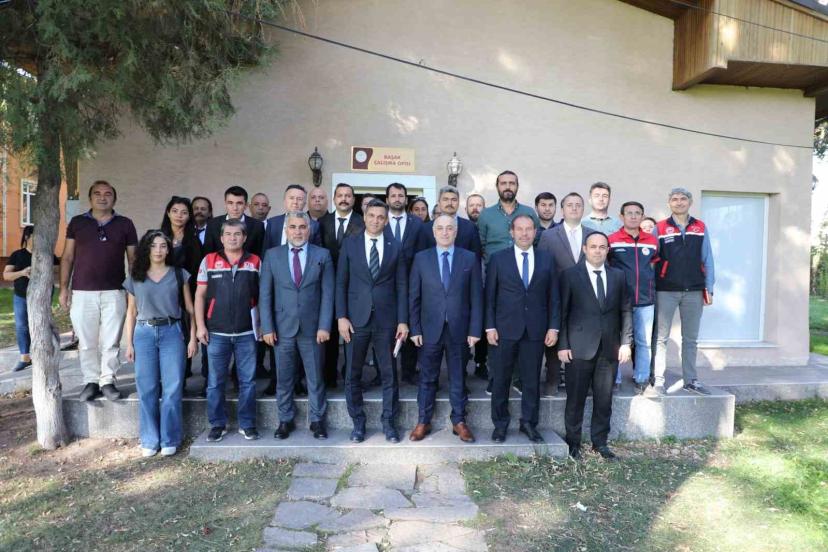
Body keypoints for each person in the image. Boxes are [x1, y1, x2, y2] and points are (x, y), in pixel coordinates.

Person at [336, 199, 408, 443]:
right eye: (372, 215)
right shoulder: (350, 244)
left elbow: (402, 286)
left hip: (387, 320)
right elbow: (341, 283)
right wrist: (341, 317)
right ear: (364, 217)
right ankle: (358, 423)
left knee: (389, 374)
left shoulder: (395, 246)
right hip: (355, 319)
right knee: (352, 374)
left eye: (381, 217)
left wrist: (403, 321)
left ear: (386, 221)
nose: (376, 220)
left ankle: (389, 423)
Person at [60, 180, 138, 402]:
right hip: (82, 292)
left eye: (107, 194)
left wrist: (133, 291)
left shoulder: (125, 224)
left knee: (111, 340)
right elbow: (67, 257)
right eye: (97, 193)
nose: (102, 197)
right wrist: (64, 288)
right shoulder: (77, 223)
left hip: (115, 291)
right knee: (86, 341)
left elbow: (133, 260)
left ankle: (107, 381)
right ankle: (91, 381)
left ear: (114, 198)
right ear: (90, 198)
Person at [260, 211, 334, 441]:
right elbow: (265, 295)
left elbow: (328, 294)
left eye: (302, 227)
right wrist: (267, 327)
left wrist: (324, 325)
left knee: (315, 377)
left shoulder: (322, 255)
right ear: (286, 230)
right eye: (293, 227)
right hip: (282, 329)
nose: (298, 231)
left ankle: (317, 420)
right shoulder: (272, 255)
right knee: (283, 377)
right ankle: (285, 420)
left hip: (313, 329)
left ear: (309, 230)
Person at [485, 215, 560, 444]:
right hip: (504, 329)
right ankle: (500, 425)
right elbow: (489, 297)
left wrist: (553, 327)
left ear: (535, 232)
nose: (524, 233)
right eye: (520, 229)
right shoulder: (498, 259)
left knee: (531, 380)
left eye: (529, 229)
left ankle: (529, 423)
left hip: (536, 330)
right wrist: (490, 326)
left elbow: (554, 297)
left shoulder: (547, 259)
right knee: (501, 379)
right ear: (512, 232)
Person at [558, 232, 632, 460]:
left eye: (602, 247)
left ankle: (600, 443)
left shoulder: (618, 276)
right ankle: (573, 443)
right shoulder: (570, 275)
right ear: (584, 249)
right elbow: (562, 312)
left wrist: (626, 342)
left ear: (607, 250)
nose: (597, 251)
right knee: (575, 399)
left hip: (609, 348)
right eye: (593, 247)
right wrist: (563, 345)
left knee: (604, 399)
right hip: (578, 348)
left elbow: (626, 310)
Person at [408, 215, 482, 443]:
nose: (445, 232)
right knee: (427, 377)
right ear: (434, 232)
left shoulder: (469, 258)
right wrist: (415, 328)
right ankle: (423, 420)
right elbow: (414, 297)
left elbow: (476, 297)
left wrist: (475, 329)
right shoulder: (421, 258)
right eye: (440, 228)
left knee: (458, 377)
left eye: (450, 228)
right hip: (429, 329)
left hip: (459, 329)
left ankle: (459, 421)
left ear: (456, 232)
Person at [123, 230, 197, 457]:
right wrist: (129, 343)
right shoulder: (136, 276)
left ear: (168, 250)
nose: (158, 250)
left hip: (171, 332)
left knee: (172, 387)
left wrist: (192, 337)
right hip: (143, 333)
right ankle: (149, 439)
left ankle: (169, 438)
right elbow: (131, 312)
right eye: (154, 246)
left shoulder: (179, 274)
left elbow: (190, 309)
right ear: (146, 249)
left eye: (163, 246)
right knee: (146, 388)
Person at [195, 219, 262, 442]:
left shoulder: (255, 261)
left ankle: (247, 424)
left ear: (244, 237)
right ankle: (218, 424)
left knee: (248, 381)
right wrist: (200, 326)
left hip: (246, 333)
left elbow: (263, 296)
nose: (233, 238)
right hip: (217, 333)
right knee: (215, 382)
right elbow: (199, 296)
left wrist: (262, 325)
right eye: (228, 234)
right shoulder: (209, 260)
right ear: (221, 238)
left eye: (237, 234)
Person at [652, 187, 715, 395]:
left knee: (690, 339)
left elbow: (708, 258)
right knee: (660, 338)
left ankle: (691, 380)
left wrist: (709, 287)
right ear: (669, 203)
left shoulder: (700, 227)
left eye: (683, 199)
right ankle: (658, 380)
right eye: (674, 199)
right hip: (665, 290)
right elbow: (652, 259)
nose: (679, 202)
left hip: (694, 290)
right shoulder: (660, 228)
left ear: (690, 202)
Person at [537, 192, 597, 395]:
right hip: (556, 293)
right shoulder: (548, 236)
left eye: (578, 205)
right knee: (554, 336)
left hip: (585, 297)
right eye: (569, 205)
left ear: (583, 209)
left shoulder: (592, 234)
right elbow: (542, 266)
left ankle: (580, 382)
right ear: (562, 209)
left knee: (582, 338)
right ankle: (553, 380)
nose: (574, 208)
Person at [608, 202, 658, 393]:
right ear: (622, 216)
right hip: (619, 300)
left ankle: (642, 377)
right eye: (629, 213)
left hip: (645, 300)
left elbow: (654, 265)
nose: (634, 216)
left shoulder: (652, 241)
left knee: (643, 341)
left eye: (638, 213)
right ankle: (615, 378)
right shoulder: (612, 240)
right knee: (616, 341)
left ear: (642, 216)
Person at [319, 183, 365, 386]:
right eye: (340, 195)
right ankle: (329, 377)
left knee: (352, 335)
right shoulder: (322, 222)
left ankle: (351, 378)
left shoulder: (363, 222)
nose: (344, 199)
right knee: (329, 331)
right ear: (334, 198)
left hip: (354, 287)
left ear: (353, 200)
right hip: (327, 285)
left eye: (348, 196)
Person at [160, 196, 203, 383]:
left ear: (189, 216)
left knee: (184, 336)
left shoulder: (194, 241)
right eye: (175, 211)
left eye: (184, 212)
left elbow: (197, 271)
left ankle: (182, 377)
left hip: (186, 294)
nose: (179, 215)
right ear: (168, 213)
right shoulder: (158, 238)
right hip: (161, 295)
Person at [3, 226, 58, 372]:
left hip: (43, 296)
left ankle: (45, 354)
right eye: (35, 236)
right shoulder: (17, 255)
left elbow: (58, 269)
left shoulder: (47, 254)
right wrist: (22, 272)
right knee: (22, 326)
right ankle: (25, 358)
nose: (39, 240)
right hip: (21, 296)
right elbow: (6, 275)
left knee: (42, 324)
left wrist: (44, 268)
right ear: (27, 237)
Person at [385, 182, 424, 385]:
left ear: (406, 199)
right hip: (384, 283)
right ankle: (385, 373)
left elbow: (422, 254)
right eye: (393, 195)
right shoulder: (379, 220)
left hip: (411, 283)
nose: (397, 199)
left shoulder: (417, 223)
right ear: (387, 199)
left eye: (401, 195)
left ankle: (408, 372)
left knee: (409, 325)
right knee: (385, 329)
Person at [477, 170, 539, 261]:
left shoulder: (529, 212)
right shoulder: (485, 214)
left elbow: (536, 241)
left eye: (512, 183)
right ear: (497, 187)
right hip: (493, 267)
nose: (508, 187)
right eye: (503, 183)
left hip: (523, 266)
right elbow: (479, 245)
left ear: (517, 186)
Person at [417, 186, 482, 259]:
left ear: (458, 203)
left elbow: (476, 257)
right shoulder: (426, 228)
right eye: (445, 199)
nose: (450, 203)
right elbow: (421, 258)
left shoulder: (470, 227)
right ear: (439, 203)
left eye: (454, 200)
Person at [202, 185, 265, 257]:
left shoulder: (258, 226)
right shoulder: (212, 224)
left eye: (239, 203)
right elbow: (208, 255)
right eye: (230, 203)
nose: (235, 208)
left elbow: (260, 255)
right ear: (225, 204)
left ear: (246, 205)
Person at [465, 193, 488, 381]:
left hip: (485, 278)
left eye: (479, 205)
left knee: (483, 324)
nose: (475, 208)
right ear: (466, 209)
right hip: (465, 282)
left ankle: (481, 362)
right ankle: (463, 363)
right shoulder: (461, 228)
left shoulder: (488, 227)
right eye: (471, 205)